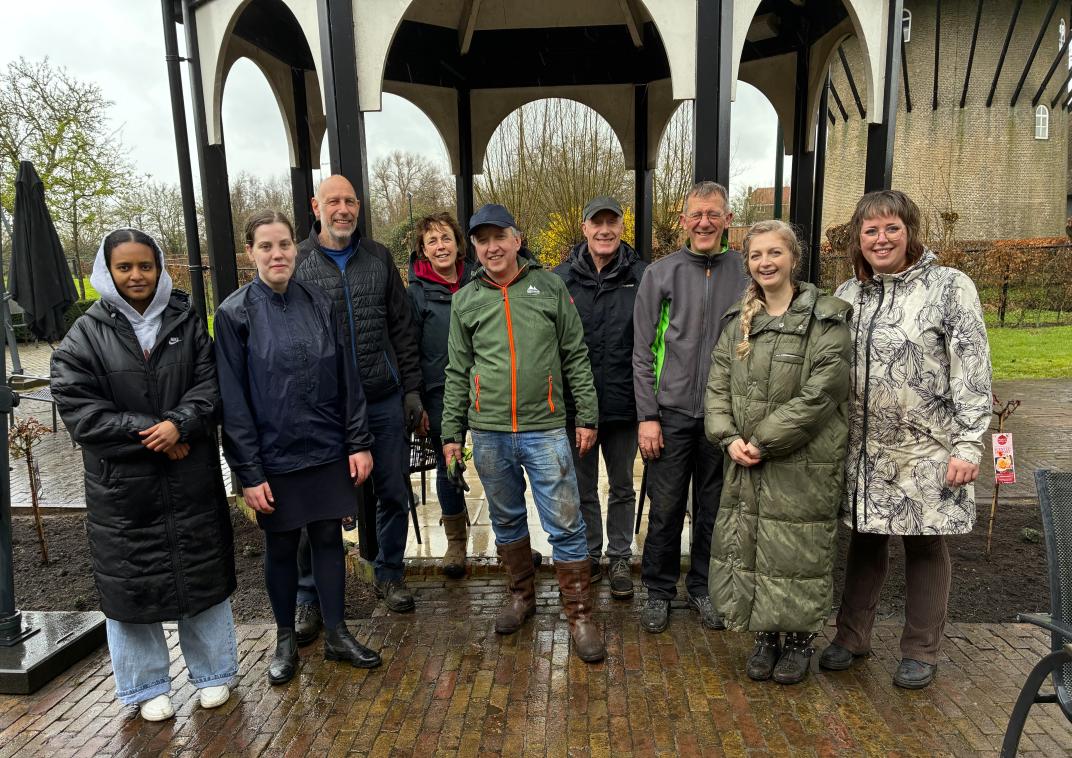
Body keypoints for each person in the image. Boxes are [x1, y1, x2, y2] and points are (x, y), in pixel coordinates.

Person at [51, 228, 237, 721]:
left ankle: (214, 673)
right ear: (106, 272)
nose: (137, 275)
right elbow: (79, 411)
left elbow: (211, 386)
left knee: (202, 575)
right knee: (130, 587)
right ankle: (145, 684)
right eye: (125, 267)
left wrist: (181, 424)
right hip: (122, 492)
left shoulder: (187, 320)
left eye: (145, 266)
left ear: (159, 269)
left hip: (190, 478)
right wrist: (152, 433)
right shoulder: (83, 336)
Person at [819, 190, 992, 690]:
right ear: (858, 238)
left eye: (892, 228)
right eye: (870, 230)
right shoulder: (850, 294)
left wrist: (968, 444)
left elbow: (973, 369)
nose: (881, 238)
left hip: (927, 448)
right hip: (866, 448)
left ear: (910, 231)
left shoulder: (949, 288)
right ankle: (851, 636)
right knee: (865, 542)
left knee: (923, 543)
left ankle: (921, 649)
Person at [215, 210, 381, 685]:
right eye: (265, 246)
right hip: (273, 456)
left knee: (330, 538)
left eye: (284, 244)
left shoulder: (320, 303)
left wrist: (357, 442)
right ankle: (285, 638)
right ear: (251, 253)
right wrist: (248, 471)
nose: (277, 254)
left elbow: (348, 378)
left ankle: (336, 633)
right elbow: (233, 400)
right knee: (282, 544)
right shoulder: (234, 315)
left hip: (328, 447)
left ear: (296, 246)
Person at [441, 204, 606, 663]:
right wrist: (451, 431)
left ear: (517, 240)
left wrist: (586, 416)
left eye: (499, 237)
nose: (491, 247)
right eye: (481, 240)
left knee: (566, 524)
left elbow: (575, 354)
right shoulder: (466, 299)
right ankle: (522, 597)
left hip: (546, 427)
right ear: (474, 247)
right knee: (506, 519)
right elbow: (457, 370)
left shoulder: (549, 287)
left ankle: (579, 614)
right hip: (489, 431)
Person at [704, 220, 851, 685]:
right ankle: (765, 636)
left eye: (774, 253)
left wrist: (763, 439)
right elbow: (717, 387)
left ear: (793, 258)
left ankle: (801, 640)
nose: (765, 262)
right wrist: (728, 437)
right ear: (746, 262)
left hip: (802, 461)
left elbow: (822, 393)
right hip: (745, 458)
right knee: (752, 550)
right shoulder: (739, 321)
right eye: (756, 255)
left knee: (798, 551)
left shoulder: (826, 319)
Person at [292, 174, 423, 637]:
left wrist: (410, 389)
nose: (342, 208)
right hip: (325, 410)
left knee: (392, 492)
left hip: (382, 399)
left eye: (349, 200)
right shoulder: (298, 263)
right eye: (333, 201)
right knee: (317, 505)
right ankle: (309, 597)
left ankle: (389, 573)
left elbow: (403, 327)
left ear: (359, 206)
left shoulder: (379, 259)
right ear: (316, 206)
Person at [632, 180, 750, 633]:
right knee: (664, 507)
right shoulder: (660, 274)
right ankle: (659, 590)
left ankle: (703, 588)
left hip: (724, 416)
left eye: (713, 214)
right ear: (683, 220)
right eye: (696, 214)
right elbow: (642, 351)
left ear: (727, 220)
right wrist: (648, 415)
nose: (704, 222)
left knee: (714, 508)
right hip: (671, 413)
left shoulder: (746, 272)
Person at [552, 196, 646, 598]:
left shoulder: (643, 277)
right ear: (585, 227)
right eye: (597, 223)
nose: (604, 230)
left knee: (623, 485)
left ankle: (620, 555)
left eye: (612, 222)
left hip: (626, 406)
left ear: (622, 227)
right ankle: (590, 553)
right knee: (581, 486)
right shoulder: (560, 280)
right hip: (577, 410)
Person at [407, 212, 476, 577]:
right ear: (423, 250)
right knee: (448, 464)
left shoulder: (479, 280)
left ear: (458, 242)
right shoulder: (416, 293)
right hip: (438, 392)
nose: (440, 246)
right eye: (432, 241)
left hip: (484, 389)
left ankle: (512, 539)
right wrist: (415, 399)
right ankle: (456, 543)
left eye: (445, 238)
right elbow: (408, 349)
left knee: (499, 466)